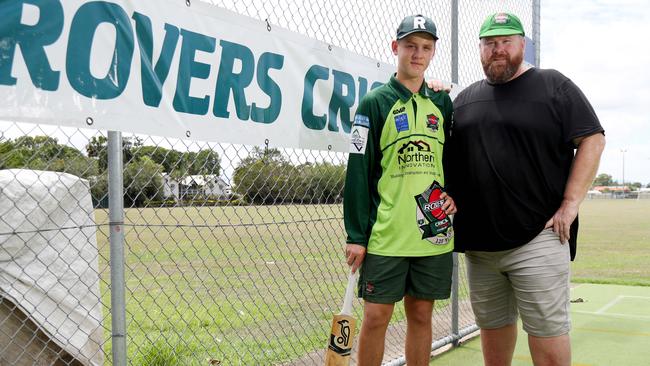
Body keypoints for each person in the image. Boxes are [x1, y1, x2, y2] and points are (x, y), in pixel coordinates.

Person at [444, 12, 606, 366]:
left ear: (522, 45)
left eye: (505, 42)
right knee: (493, 339)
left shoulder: (553, 86)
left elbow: (592, 139)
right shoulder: (464, 100)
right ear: (481, 49)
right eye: (490, 43)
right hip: (481, 248)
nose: (498, 50)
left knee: (547, 342)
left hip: (539, 238)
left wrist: (570, 203)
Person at [343, 14, 456, 366]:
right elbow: (358, 173)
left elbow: (451, 161)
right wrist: (356, 235)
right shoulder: (373, 104)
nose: (417, 54)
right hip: (387, 234)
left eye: (425, 47)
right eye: (410, 46)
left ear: (433, 52)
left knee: (421, 315)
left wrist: (456, 194)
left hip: (433, 230)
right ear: (396, 48)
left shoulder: (441, 102)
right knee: (377, 317)